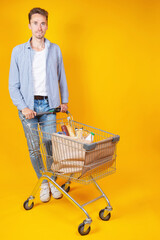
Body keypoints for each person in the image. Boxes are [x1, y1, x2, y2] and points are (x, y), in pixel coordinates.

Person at [9, 7, 69, 203]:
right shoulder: (18, 51)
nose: (39, 27)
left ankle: (52, 180)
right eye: (35, 23)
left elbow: (62, 77)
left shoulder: (55, 49)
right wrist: (23, 107)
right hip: (28, 107)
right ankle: (43, 182)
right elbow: (13, 85)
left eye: (43, 23)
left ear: (47, 26)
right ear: (29, 25)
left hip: (49, 106)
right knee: (35, 149)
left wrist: (64, 101)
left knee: (50, 145)